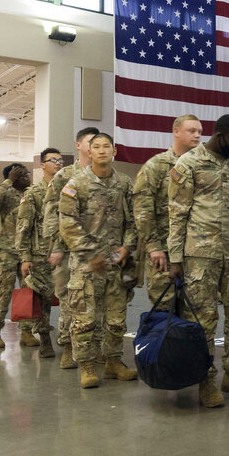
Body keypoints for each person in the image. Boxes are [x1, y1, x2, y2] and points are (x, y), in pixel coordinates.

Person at [168, 114, 229, 408]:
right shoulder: (189, 164)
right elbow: (177, 213)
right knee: (203, 321)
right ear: (219, 134)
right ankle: (205, 379)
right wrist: (175, 258)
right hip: (200, 256)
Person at [58, 133, 138, 388]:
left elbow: (133, 221)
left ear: (114, 151)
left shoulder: (124, 183)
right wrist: (90, 254)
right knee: (85, 319)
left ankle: (114, 362)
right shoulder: (76, 184)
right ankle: (87, 365)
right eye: (97, 147)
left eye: (107, 146)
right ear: (88, 152)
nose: (102, 150)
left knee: (116, 318)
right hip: (87, 265)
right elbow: (68, 224)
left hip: (117, 262)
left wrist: (127, 247)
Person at [134, 114, 203, 311]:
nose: (197, 136)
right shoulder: (156, 165)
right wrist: (153, 246)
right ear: (176, 132)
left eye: (199, 132)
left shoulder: (202, 166)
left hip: (195, 251)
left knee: (195, 311)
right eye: (192, 131)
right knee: (165, 309)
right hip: (163, 250)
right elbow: (142, 209)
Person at [43, 126, 98, 369]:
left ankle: (93, 349)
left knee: (96, 299)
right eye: (90, 142)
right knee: (69, 299)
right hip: (67, 249)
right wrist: (55, 245)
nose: (94, 146)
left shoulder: (104, 175)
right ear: (78, 145)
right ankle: (67, 345)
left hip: (95, 248)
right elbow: (51, 213)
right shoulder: (64, 175)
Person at [16, 148, 64, 358]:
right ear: (42, 165)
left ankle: (70, 340)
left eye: (60, 160)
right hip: (40, 255)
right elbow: (23, 228)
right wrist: (25, 258)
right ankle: (44, 338)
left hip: (65, 254)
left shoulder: (69, 190)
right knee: (43, 299)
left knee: (70, 297)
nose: (57, 163)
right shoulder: (33, 194)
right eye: (52, 160)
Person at [0, 163, 37, 350]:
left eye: (27, 174)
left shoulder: (31, 194)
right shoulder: (5, 192)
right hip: (5, 251)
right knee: (3, 292)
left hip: (27, 252)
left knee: (27, 293)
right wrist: (9, 181)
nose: (26, 178)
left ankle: (26, 331)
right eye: (21, 175)